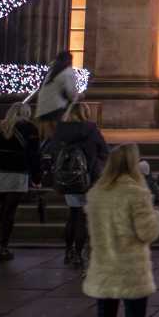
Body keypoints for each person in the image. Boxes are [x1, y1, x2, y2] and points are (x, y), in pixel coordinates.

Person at [81, 143, 159, 317]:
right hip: (130, 268)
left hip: (104, 266)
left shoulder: (96, 193)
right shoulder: (136, 193)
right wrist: (158, 215)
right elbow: (147, 231)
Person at [49, 101, 108, 268]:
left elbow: (52, 151)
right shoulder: (90, 129)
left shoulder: (60, 129)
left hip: (67, 178)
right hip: (88, 178)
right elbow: (104, 151)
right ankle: (79, 253)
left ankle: (68, 251)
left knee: (73, 214)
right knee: (82, 216)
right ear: (85, 113)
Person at [0, 100, 40, 261]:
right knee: (9, 211)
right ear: (27, 113)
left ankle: (1, 244)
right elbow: (33, 155)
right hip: (17, 173)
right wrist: (37, 176)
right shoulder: (30, 129)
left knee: (3, 209)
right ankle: (3, 245)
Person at [34, 50, 80, 124]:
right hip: (56, 110)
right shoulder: (67, 72)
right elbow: (72, 93)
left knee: (46, 134)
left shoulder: (51, 72)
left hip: (42, 110)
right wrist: (79, 95)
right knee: (58, 133)